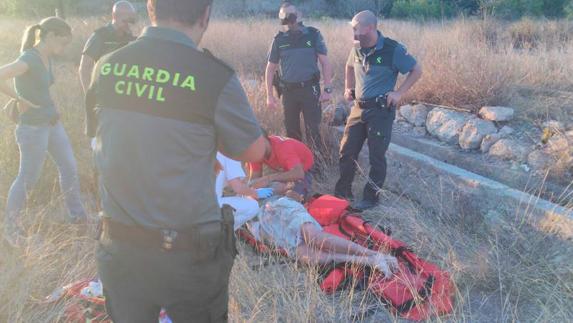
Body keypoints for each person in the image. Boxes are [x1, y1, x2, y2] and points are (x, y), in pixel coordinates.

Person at [85, 0, 266, 321]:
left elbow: (102, 140)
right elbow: (254, 152)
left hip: (120, 247)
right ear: (206, 14)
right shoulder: (213, 76)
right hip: (188, 254)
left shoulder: (107, 66)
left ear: (150, 7)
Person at [0, 17, 86, 247]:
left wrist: (52, 106)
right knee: (27, 179)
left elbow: (40, 88)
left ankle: (78, 216)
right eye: (63, 42)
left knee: (69, 167)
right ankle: (10, 230)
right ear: (49, 36)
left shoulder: (45, 57)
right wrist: (19, 99)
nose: (65, 48)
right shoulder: (29, 58)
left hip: (52, 124)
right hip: (32, 129)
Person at [334, 10, 423, 211]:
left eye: (356, 28)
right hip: (358, 109)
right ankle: (343, 192)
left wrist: (399, 93)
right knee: (346, 151)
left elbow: (416, 70)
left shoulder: (393, 49)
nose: (352, 32)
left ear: (370, 28)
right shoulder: (356, 48)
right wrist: (349, 88)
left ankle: (370, 198)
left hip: (381, 111)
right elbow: (349, 67)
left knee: (377, 156)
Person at [253, 196, 399, 278]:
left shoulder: (250, 183)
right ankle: (368, 261)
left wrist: (263, 185)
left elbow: (291, 184)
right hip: (274, 232)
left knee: (315, 238)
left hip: (278, 208)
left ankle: (374, 254)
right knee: (310, 258)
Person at [265, 2, 333, 157]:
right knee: (292, 132)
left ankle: (317, 166)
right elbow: (270, 69)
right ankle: (297, 167)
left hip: (310, 90)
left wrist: (327, 89)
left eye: (290, 14)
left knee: (313, 130)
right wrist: (269, 95)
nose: (287, 18)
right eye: (283, 15)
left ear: (299, 15)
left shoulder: (313, 35)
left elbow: (325, 63)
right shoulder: (279, 40)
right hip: (289, 92)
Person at [78, 1, 137, 151]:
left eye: (132, 21)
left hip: (122, 102)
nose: (129, 25)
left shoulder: (130, 38)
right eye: (125, 21)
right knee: (100, 146)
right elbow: (84, 68)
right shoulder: (100, 36)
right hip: (100, 99)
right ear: (114, 16)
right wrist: (90, 96)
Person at [215, 152, 273, 230]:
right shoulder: (230, 154)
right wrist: (256, 193)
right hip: (209, 207)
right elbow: (238, 187)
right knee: (253, 206)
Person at [249, 133, 314, 201]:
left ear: (263, 140)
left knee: (290, 198)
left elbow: (299, 173)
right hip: (285, 170)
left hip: (303, 170)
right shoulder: (254, 152)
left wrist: (269, 178)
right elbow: (254, 179)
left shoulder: (283, 147)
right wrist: (251, 189)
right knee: (256, 197)